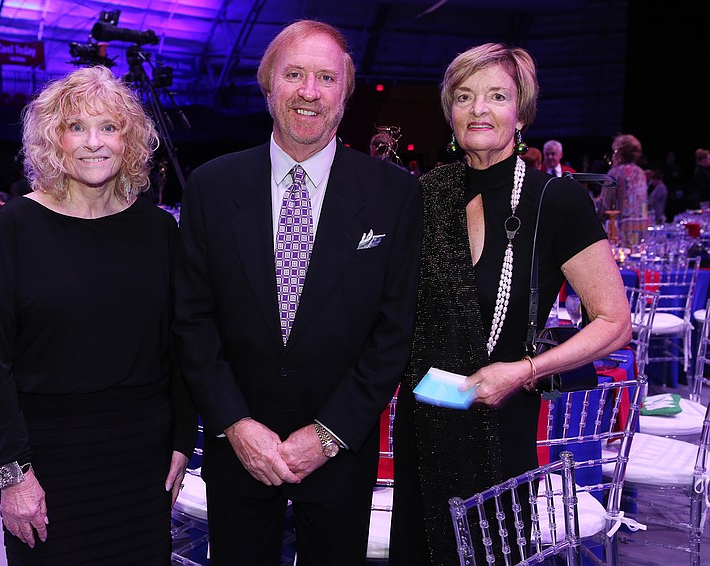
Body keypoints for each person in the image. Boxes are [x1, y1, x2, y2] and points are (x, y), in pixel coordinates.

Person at [173, 19, 421, 565]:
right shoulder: (212, 188)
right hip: (238, 448)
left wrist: (330, 433)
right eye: (295, 75)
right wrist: (234, 424)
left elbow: (394, 330)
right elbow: (192, 319)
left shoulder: (394, 195)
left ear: (344, 95)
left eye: (326, 78)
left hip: (340, 451)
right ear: (268, 87)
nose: (310, 92)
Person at [388, 43, 631, 565]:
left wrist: (524, 371)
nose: (478, 109)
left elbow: (613, 323)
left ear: (520, 112)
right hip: (423, 416)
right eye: (464, 96)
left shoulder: (555, 201)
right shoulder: (423, 197)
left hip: (500, 421)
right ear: (448, 112)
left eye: (497, 96)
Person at [0, 65, 197, 564]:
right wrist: (12, 473)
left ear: (130, 139)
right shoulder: (17, 227)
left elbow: (182, 343)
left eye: (109, 127)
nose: (95, 143)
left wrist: (182, 438)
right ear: (54, 141)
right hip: (46, 464)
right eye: (77, 127)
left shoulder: (158, 231)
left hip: (142, 458)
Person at [598, 133, 647, 247]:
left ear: (619, 153)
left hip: (620, 233)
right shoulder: (641, 173)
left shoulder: (615, 173)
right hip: (641, 233)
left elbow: (604, 205)